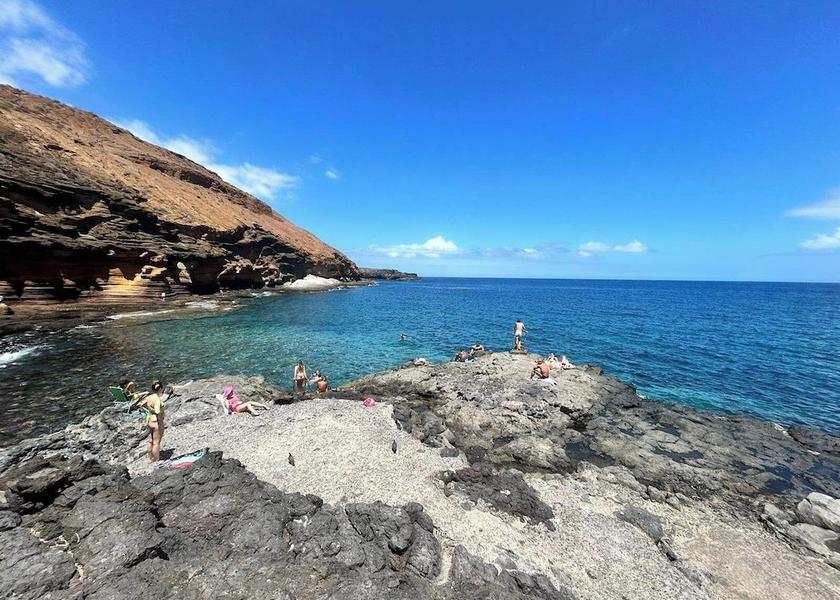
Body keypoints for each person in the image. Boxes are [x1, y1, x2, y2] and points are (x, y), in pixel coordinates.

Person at [139, 381, 166, 462]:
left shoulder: (149, 397)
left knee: (150, 440)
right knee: (156, 442)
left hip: (149, 420)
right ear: (160, 388)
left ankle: (151, 457)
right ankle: (156, 460)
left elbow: (140, 404)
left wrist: (149, 409)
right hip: (157, 421)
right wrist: (159, 416)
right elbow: (157, 411)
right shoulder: (157, 399)